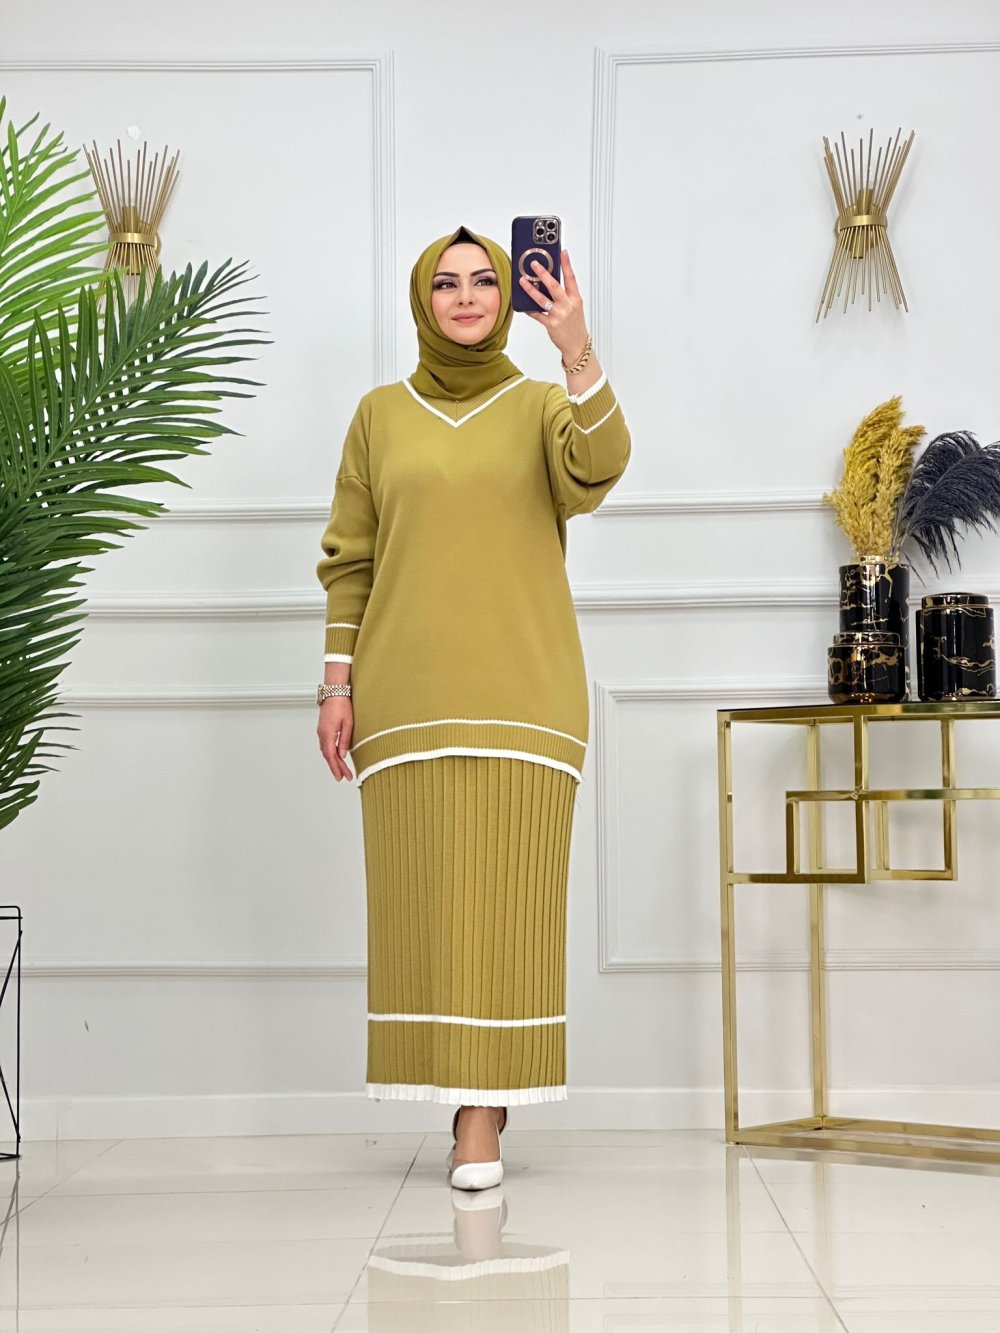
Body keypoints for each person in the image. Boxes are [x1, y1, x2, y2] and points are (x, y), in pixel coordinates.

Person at [315, 223, 631, 1189]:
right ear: (423, 301)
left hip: (527, 690)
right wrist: (337, 683)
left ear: (507, 299)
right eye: (446, 283)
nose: (464, 297)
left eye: (484, 281)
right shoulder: (378, 416)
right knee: (428, 912)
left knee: (510, 911)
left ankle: (481, 1116)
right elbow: (351, 558)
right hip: (405, 694)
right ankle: (460, 1096)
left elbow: (601, 466)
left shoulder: (540, 405)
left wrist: (574, 345)